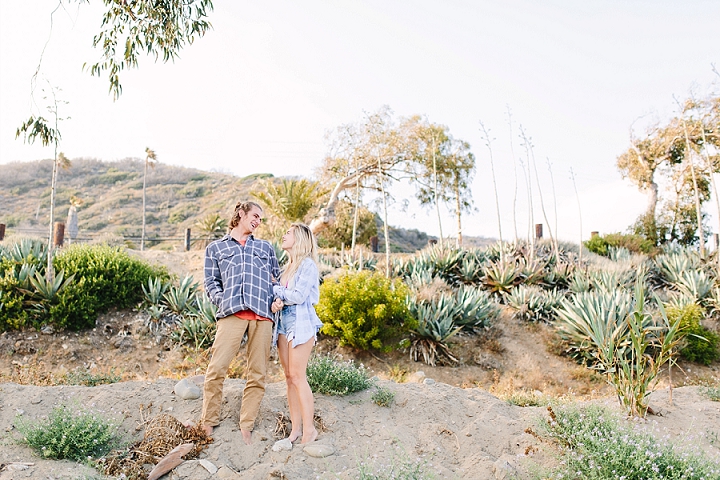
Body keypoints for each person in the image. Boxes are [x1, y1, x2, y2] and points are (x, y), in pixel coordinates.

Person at [200, 201, 280, 445]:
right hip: (232, 314)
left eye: (261, 219)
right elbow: (211, 282)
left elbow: (276, 279)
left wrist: (276, 298)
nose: (258, 221)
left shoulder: (266, 248)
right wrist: (222, 301)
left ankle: (247, 424)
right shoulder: (216, 248)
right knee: (217, 369)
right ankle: (208, 420)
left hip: (262, 316)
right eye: (255, 215)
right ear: (240, 214)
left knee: (257, 373)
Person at [270, 223, 323, 444]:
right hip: (283, 324)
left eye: (288, 233)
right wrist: (277, 302)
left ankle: (310, 430)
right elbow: (284, 296)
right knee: (289, 377)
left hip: (300, 324)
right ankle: (296, 430)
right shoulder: (286, 268)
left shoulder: (308, 265)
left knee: (298, 376)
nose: (283, 235)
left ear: (299, 238)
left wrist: (277, 291)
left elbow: (299, 296)